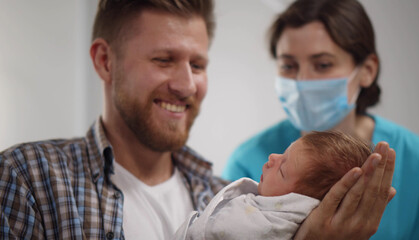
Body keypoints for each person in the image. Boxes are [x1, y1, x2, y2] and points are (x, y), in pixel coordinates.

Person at [0, 0, 395, 239]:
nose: (187, 85)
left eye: (198, 64)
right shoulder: (29, 179)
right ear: (105, 61)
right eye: (163, 59)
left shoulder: (235, 198)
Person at [223, 0, 419, 239]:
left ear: (367, 70)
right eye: (288, 66)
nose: (302, 81)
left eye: (322, 65)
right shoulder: (246, 164)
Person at [174, 131, 373, 240]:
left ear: (295, 202)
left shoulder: (266, 228)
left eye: (282, 170)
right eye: (282, 153)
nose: (272, 158)